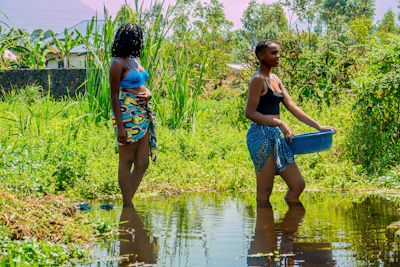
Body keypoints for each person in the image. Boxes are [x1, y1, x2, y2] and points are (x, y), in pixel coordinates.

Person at [245, 40, 335, 207]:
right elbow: (249, 113)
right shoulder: (257, 79)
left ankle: (286, 229)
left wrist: (318, 126)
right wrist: (279, 122)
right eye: (273, 53)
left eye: (278, 53)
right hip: (260, 136)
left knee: (297, 185)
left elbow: (292, 106)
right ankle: (265, 232)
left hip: (276, 138)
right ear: (261, 56)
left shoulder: (276, 79)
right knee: (264, 191)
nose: (278, 56)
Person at [110, 22, 158, 208]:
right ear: (131, 39)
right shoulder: (117, 63)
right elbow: (114, 96)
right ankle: (127, 205)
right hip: (128, 115)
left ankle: (127, 203)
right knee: (127, 160)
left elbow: (142, 85)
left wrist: (150, 94)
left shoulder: (135, 61)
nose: (140, 42)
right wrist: (120, 126)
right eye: (138, 38)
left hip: (143, 114)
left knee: (142, 162)